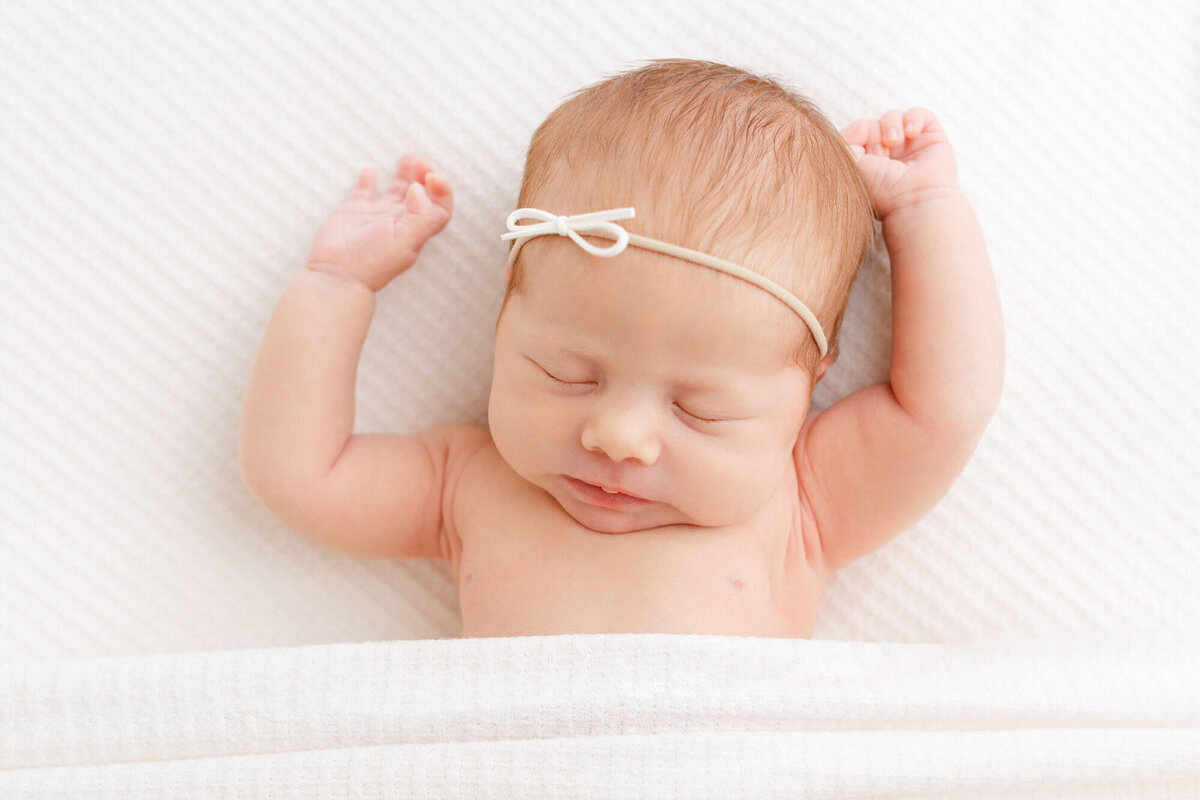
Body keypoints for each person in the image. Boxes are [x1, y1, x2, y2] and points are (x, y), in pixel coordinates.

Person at [239, 58, 1005, 638]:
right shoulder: (470, 485)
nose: (618, 437)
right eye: (567, 374)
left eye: (700, 409)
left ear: (807, 389)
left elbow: (944, 408)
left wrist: (924, 211)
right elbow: (302, 475)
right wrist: (336, 287)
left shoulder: (799, 502)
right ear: (506, 318)